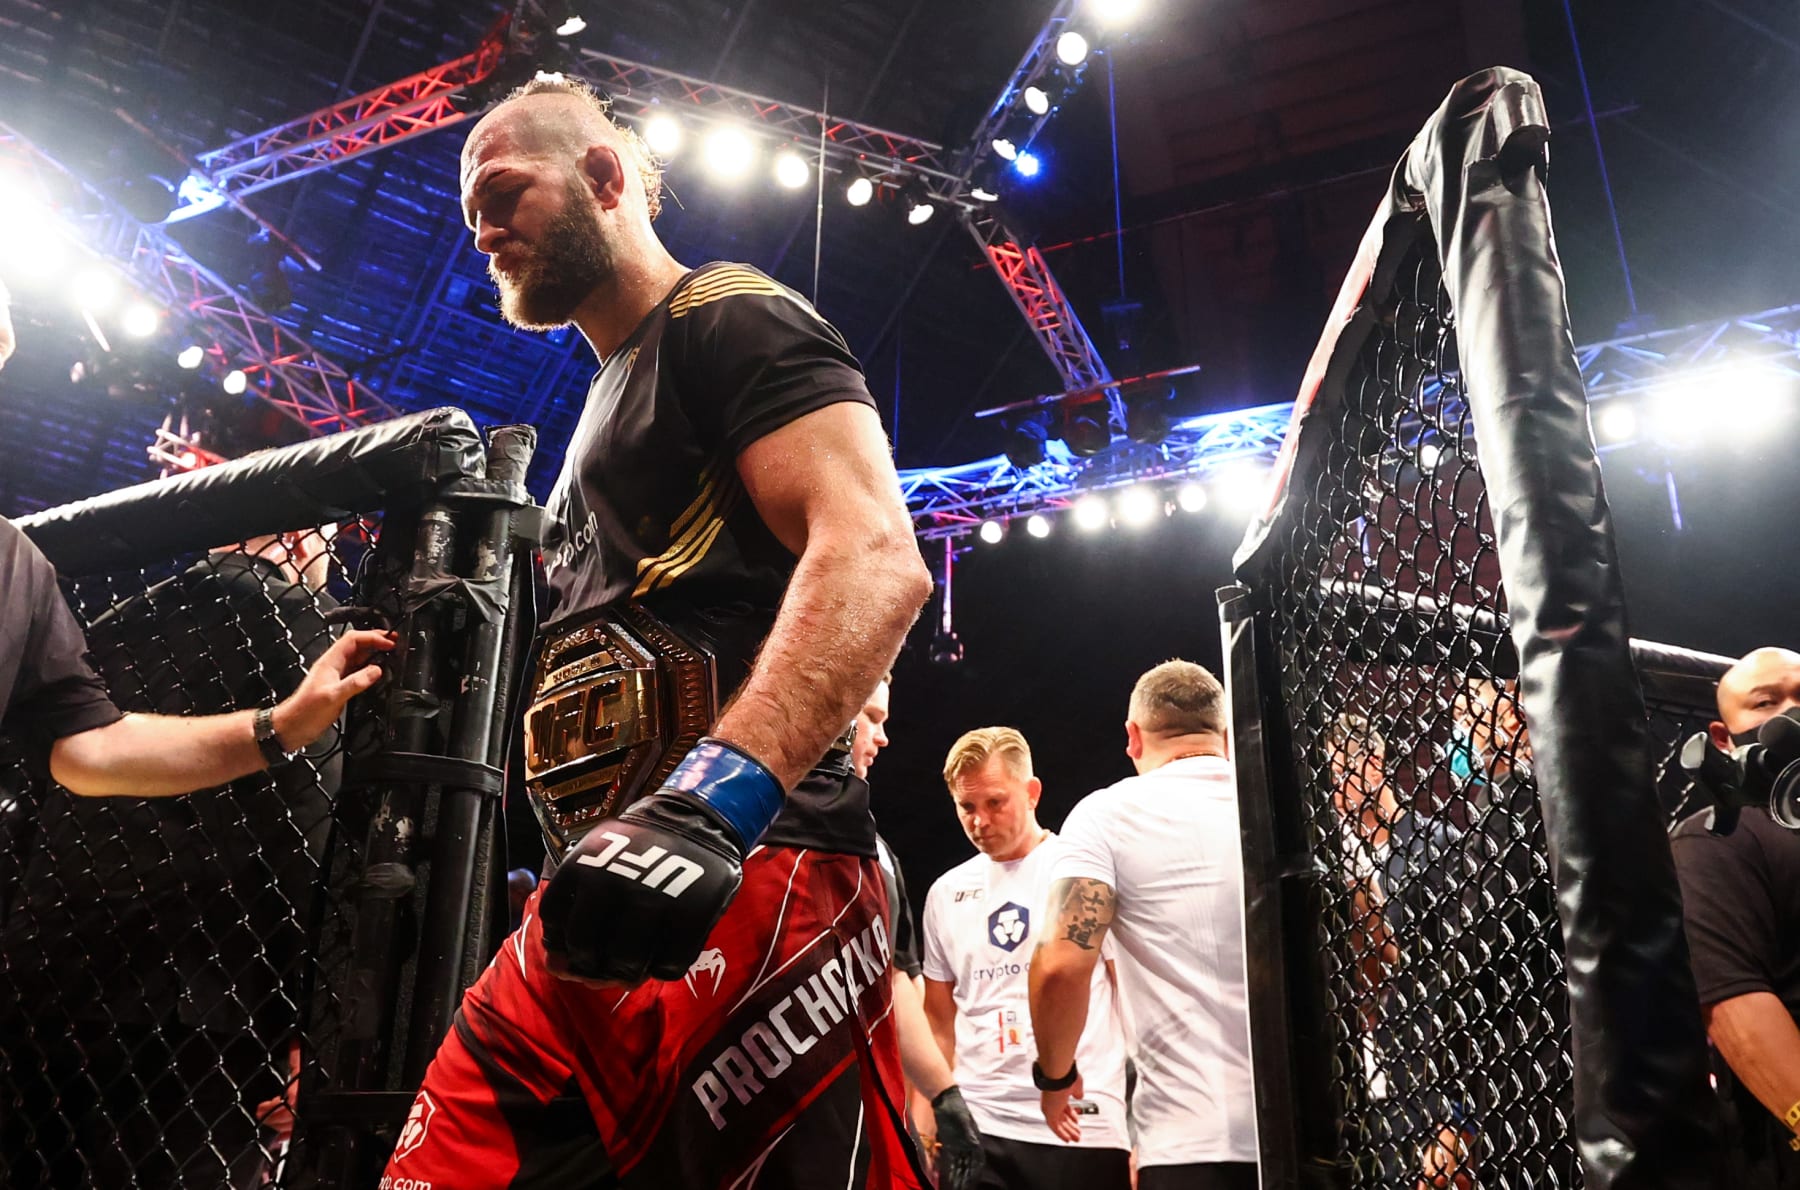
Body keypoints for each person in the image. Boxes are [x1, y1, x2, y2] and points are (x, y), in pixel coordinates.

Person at [385, 75, 932, 1189]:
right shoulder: (598, 403)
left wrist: (715, 802)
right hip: (590, 897)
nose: (480, 228)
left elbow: (878, 555)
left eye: (501, 190)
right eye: (469, 210)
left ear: (603, 176)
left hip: (759, 872)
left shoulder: (729, 311)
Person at [0, 528, 349, 1188]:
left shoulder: (114, 616)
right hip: (203, 994)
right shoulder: (296, 615)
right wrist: (318, 1022)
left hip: (45, 967)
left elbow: (46, 775)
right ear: (304, 539)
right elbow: (308, 820)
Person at [1026, 661, 1252, 1190]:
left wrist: (1054, 1076)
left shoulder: (1107, 815)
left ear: (1133, 737)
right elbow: (1374, 950)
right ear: (1225, 733)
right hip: (1318, 1129)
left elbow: (1061, 965)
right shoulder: (1287, 806)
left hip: (1190, 1142)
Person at [0, 514, 393, 797]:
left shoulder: (95, 613)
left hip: (59, 890)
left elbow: (85, 747)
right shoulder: (323, 626)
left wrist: (285, 725)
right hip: (242, 892)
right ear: (297, 538)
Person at [922, 727, 1131, 1190]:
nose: (980, 820)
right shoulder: (944, 893)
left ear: (1031, 792)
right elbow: (938, 1021)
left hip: (1082, 1122)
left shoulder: (1082, 875)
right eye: (967, 807)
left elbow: (1131, 1002)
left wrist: (1142, 1130)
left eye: (995, 802)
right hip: (979, 1127)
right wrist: (924, 1126)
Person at [1327, 711, 1478, 1190]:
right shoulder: (1332, 861)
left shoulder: (1437, 847)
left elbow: (1463, 977)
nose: (1332, 793)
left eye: (1337, 776)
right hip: (1359, 1075)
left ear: (1372, 763)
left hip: (1426, 1072)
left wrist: (1456, 1115)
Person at [1671, 646, 1800, 1188]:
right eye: (1766, 703)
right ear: (1723, 737)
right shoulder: (1716, 836)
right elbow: (1732, 1000)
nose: (1791, 716)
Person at [854, 676, 986, 1190]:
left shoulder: (875, 852)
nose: (883, 737)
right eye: (872, 717)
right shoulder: (745, 830)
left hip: (865, 1108)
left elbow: (896, 979)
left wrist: (940, 1096)